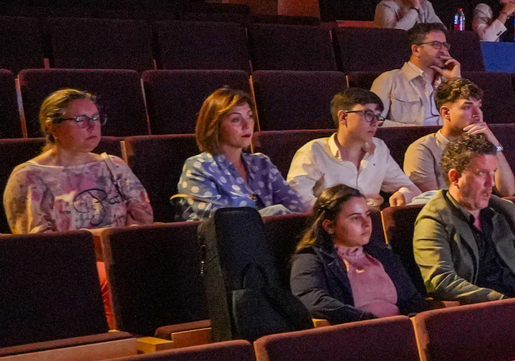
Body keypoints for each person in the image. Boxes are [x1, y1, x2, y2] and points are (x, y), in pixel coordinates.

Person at [412, 133, 515, 303]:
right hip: (482, 312)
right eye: (482, 173)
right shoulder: (433, 219)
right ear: (455, 177)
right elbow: (441, 281)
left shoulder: (504, 209)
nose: (491, 183)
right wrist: (504, 303)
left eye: (494, 172)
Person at [4, 89, 153, 233]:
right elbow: (39, 245)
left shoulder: (114, 166)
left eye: (95, 118)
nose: (93, 126)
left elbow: (142, 223)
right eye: (80, 120)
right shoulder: (28, 177)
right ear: (53, 128)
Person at [289, 185, 426, 322]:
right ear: (329, 226)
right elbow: (314, 301)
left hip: (400, 329)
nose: (367, 223)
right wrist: (370, 321)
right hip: (356, 333)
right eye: (355, 218)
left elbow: (412, 298)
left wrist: (408, 323)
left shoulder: (382, 253)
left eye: (367, 215)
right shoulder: (310, 258)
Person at [174, 88, 308, 220]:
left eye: (250, 116)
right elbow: (222, 222)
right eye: (236, 119)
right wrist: (275, 211)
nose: (247, 125)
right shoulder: (199, 167)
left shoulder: (262, 162)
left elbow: (296, 209)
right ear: (215, 125)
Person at [287, 89, 417, 208]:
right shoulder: (314, 151)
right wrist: (341, 211)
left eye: (377, 116)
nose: (375, 123)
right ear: (343, 117)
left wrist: (403, 194)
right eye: (368, 114)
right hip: (330, 224)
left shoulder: (379, 148)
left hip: (373, 221)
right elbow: (296, 199)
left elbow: (410, 188)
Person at [405, 78, 515, 197]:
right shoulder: (422, 149)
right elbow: (433, 201)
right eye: (467, 107)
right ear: (446, 113)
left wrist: (494, 145)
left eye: (479, 106)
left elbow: (507, 192)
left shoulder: (482, 145)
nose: (477, 114)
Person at [373, 22, 460, 127]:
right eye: (436, 45)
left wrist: (456, 81)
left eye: (445, 45)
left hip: (448, 142)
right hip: (408, 141)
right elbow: (374, 121)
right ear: (416, 50)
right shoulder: (389, 79)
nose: (443, 50)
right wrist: (415, 131)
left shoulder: (449, 81)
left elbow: (467, 120)